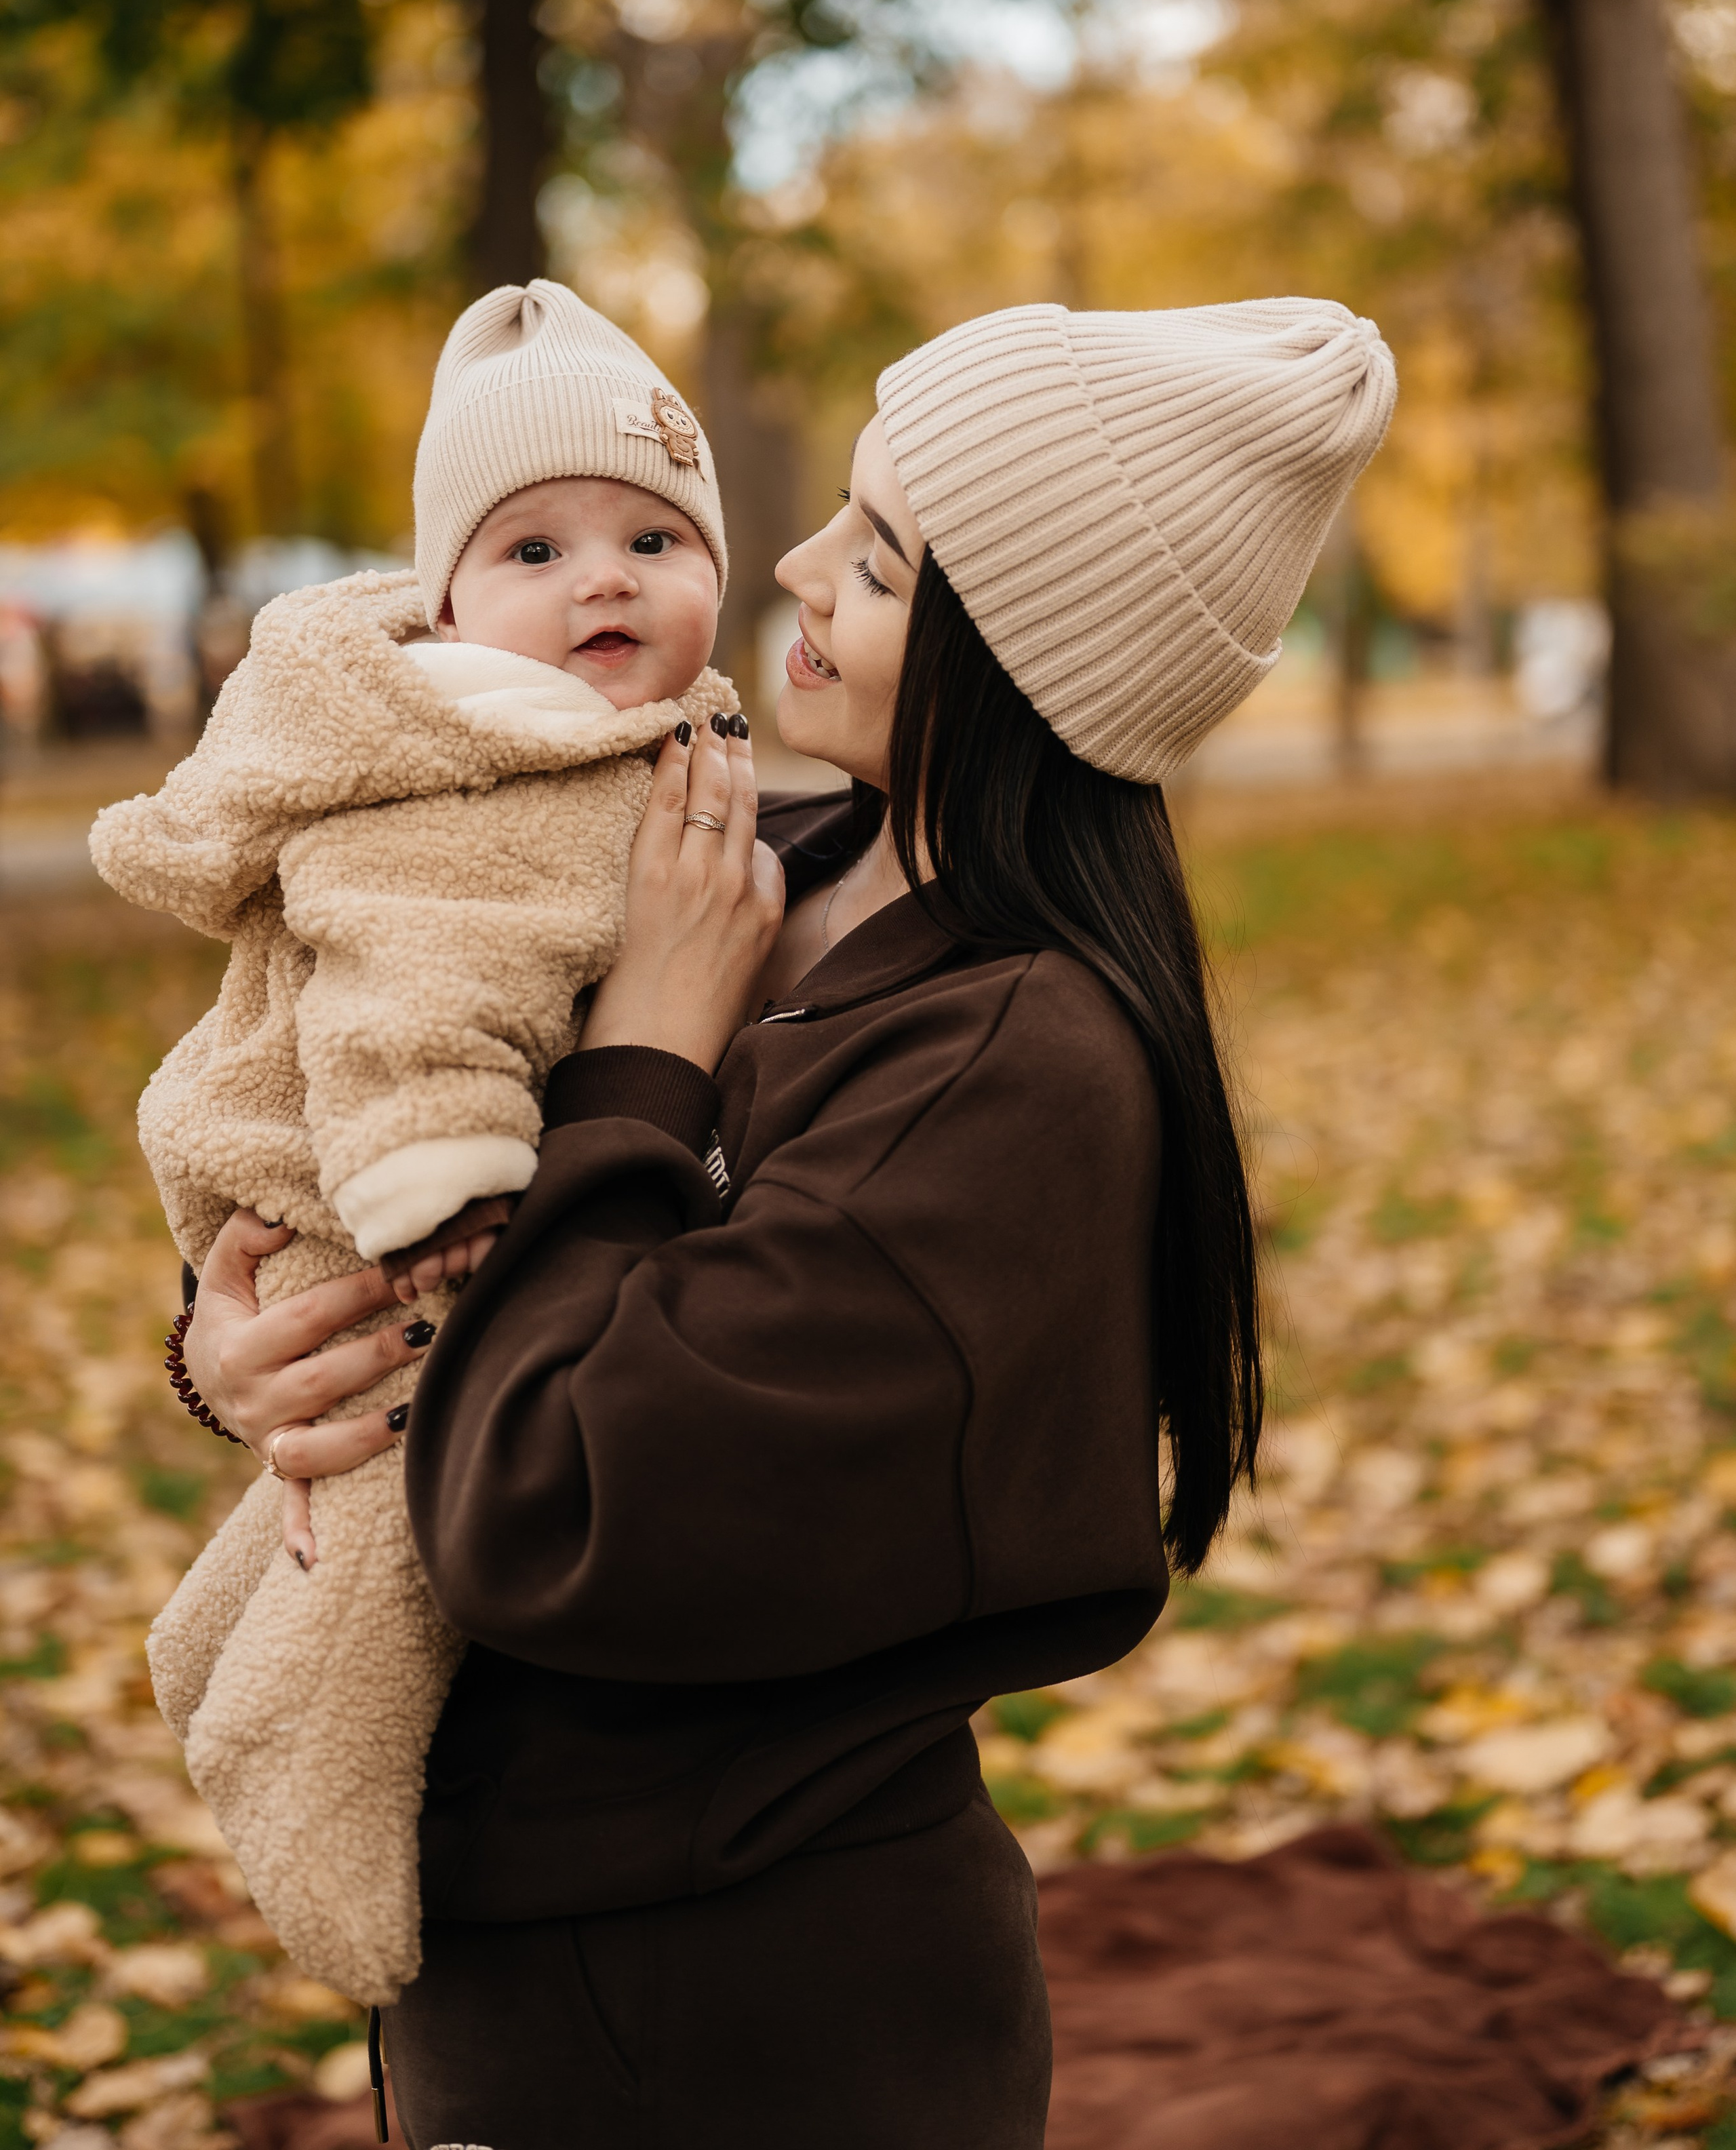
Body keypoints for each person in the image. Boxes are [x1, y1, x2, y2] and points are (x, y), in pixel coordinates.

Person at [179, 295, 1396, 2149]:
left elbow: (556, 1501)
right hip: (527, 1943)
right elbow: (366, 1117)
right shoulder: (721, 851)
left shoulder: (1008, 1074)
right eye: (837, 510)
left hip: (735, 2009)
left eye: (884, 560)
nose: (801, 569)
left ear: (1020, 663)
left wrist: (649, 1066)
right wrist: (233, 1341)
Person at [92, 283, 734, 2007]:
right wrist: (439, 1173)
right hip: (379, 1190)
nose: (603, 578)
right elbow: (417, 982)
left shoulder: (661, 743)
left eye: (654, 536)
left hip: (460, 1225)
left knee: (343, 1515)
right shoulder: (477, 766)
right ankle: (304, 1780)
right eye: (533, 550)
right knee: (376, 1535)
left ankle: (225, 1640)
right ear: (444, 602)